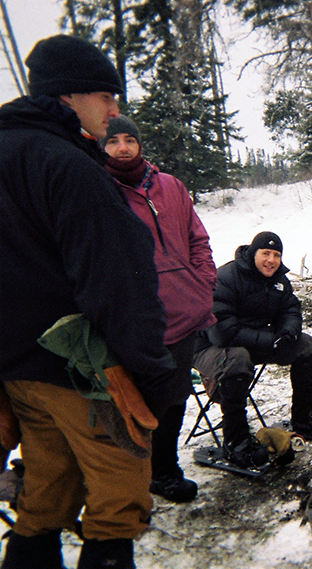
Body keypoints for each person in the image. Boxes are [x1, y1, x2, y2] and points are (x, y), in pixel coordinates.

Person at [0, 34, 177, 568]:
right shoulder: (68, 166)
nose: (115, 110)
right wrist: (151, 373)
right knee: (115, 505)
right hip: (87, 375)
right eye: (107, 95)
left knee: (43, 499)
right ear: (69, 95)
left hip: (18, 371)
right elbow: (119, 284)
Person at [101, 116, 216, 503]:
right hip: (137, 321)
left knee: (176, 397)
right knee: (135, 405)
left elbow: (197, 237)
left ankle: (164, 471)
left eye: (129, 139)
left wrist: (202, 284)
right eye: (113, 141)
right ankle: (130, 479)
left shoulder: (169, 186)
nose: (122, 148)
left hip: (183, 312)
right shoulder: (100, 189)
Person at [194, 232, 312, 468]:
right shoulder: (227, 277)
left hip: (253, 342)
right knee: (237, 358)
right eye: (266, 254)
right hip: (210, 346)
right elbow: (221, 332)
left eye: (276, 255)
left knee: (305, 345)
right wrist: (269, 340)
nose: (271, 260)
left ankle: (306, 417)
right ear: (253, 253)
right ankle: (236, 440)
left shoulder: (279, 280)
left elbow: (291, 310)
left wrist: (286, 334)